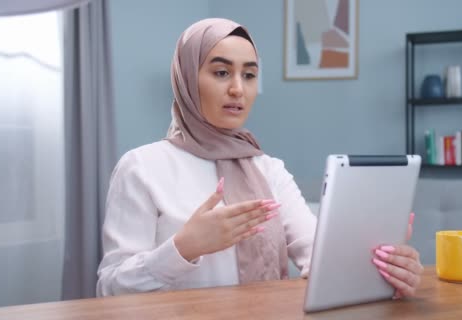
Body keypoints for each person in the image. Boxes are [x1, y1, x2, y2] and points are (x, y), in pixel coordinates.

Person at [96, 18, 423, 298]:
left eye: (249, 75)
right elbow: (109, 288)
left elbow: (319, 259)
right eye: (222, 72)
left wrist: (383, 266)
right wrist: (183, 248)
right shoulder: (141, 167)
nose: (238, 88)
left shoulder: (269, 170)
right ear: (185, 78)